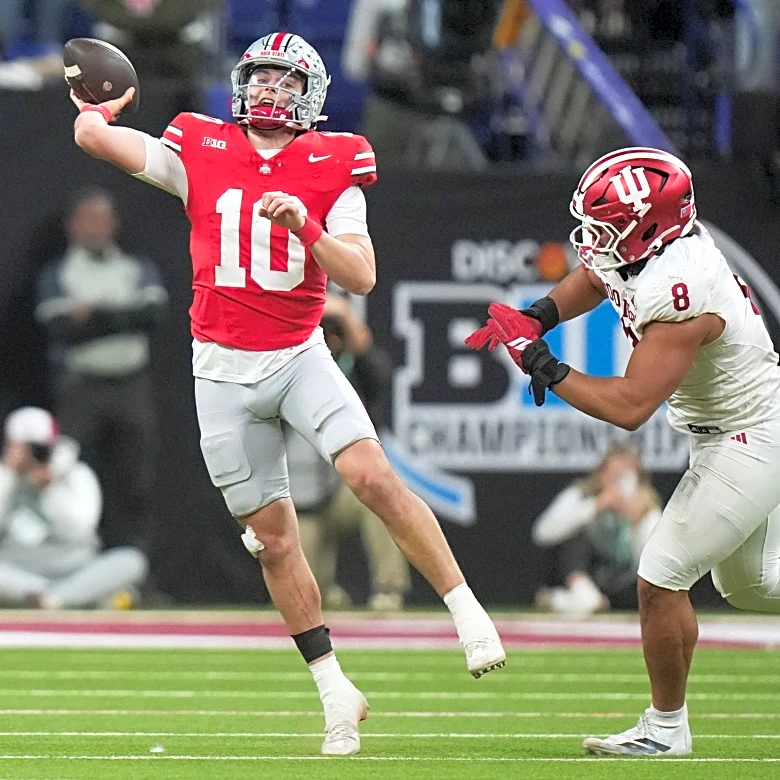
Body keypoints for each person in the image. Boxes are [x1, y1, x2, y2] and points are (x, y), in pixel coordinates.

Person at [68, 32, 505, 755]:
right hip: (219, 370)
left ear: (312, 95)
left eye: (285, 80)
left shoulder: (333, 160)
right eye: (260, 77)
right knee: (274, 542)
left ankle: (467, 612)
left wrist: (305, 226)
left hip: (298, 355)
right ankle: (336, 691)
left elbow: (360, 276)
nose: (270, 91)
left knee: (370, 474)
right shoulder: (199, 146)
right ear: (241, 85)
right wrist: (96, 104)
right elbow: (97, 138)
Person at [467, 146, 780, 757]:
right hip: (726, 431)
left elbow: (631, 406)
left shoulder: (681, 287)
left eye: (609, 227)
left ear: (650, 229)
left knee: (660, 577)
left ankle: (666, 730)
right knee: (748, 587)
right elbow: (593, 273)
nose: (593, 238)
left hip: (751, 435)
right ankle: (667, 726)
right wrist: (540, 315)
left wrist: (543, 364)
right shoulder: (645, 249)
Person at [35, 187, 168, 554]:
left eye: (103, 219)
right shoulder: (58, 272)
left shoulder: (135, 267)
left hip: (131, 385)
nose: (96, 228)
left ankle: (134, 568)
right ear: (73, 225)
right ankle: (75, 561)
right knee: (71, 472)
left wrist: (93, 314)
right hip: (81, 387)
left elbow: (154, 316)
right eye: (88, 220)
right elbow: (59, 327)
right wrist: (122, 316)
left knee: (135, 480)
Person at [293, 293, 411, 611]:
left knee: (379, 496)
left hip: (346, 482)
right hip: (302, 493)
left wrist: (346, 318)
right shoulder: (287, 370)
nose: (326, 342)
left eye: (330, 335)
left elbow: (379, 376)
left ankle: (389, 589)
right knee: (303, 595)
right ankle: (326, 592)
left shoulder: (354, 371)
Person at [0, 406, 148, 608]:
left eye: (38, 449)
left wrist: (50, 489)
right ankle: (63, 596)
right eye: (25, 448)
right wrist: (8, 475)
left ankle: (50, 598)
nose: (32, 455)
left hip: (73, 567)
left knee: (132, 560)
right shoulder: (5, 479)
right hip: (19, 568)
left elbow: (79, 531)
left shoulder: (77, 474)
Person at [533, 442, 662, 615]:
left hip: (622, 582)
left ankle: (558, 600)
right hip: (584, 575)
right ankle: (583, 598)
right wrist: (595, 506)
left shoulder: (647, 507)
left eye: (626, 477)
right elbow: (542, 533)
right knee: (575, 532)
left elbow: (658, 561)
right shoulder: (583, 494)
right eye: (614, 475)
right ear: (602, 473)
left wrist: (637, 521)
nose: (619, 484)